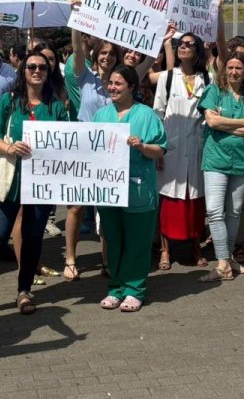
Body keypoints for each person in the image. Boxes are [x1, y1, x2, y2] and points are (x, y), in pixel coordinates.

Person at [0, 51, 70, 323]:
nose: (37, 71)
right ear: (23, 70)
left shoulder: (56, 106)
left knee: (34, 239)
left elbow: (69, 141)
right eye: (31, 66)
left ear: (49, 72)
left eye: (42, 67)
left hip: (41, 184)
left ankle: (24, 291)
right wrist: (9, 147)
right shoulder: (10, 102)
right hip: (9, 180)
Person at [94, 64, 167, 312]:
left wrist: (142, 146)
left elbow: (161, 149)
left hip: (138, 190)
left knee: (137, 242)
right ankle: (116, 287)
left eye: (118, 84)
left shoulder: (146, 115)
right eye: (111, 83)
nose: (112, 88)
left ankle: (135, 289)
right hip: (109, 190)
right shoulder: (102, 115)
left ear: (132, 88)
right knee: (113, 240)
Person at [197, 53, 244, 282]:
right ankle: (223, 260)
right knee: (215, 211)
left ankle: (229, 258)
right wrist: (243, 122)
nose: (233, 72)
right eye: (230, 67)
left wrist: (226, 127)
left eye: (238, 68)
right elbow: (212, 121)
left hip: (243, 160)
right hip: (216, 159)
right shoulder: (214, 91)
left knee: (234, 211)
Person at [66, 26, 122, 279]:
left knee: (108, 209)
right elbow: (78, 49)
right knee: (77, 206)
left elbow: (145, 67)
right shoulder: (84, 76)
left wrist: (161, 43)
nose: (107, 57)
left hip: (111, 151)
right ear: (96, 55)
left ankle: (107, 260)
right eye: (103, 53)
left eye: (111, 54)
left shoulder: (120, 83)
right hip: (84, 149)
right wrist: (76, 24)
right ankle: (70, 259)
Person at [153, 31, 211, 270]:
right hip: (172, 149)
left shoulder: (206, 79)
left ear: (197, 51)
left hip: (197, 147)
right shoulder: (167, 77)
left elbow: (209, 113)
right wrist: (158, 149)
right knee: (168, 200)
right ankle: (165, 251)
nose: (183, 47)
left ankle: (196, 248)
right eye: (181, 44)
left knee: (195, 200)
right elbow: (157, 114)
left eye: (189, 44)